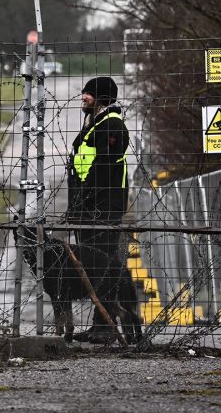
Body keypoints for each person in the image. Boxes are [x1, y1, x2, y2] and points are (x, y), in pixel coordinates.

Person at [66, 76, 130, 342]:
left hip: (103, 208)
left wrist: (82, 202)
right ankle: (101, 323)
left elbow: (102, 169)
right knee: (96, 265)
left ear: (101, 97)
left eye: (88, 94)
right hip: (91, 208)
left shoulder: (111, 125)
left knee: (102, 263)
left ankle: (106, 326)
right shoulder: (97, 124)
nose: (83, 97)